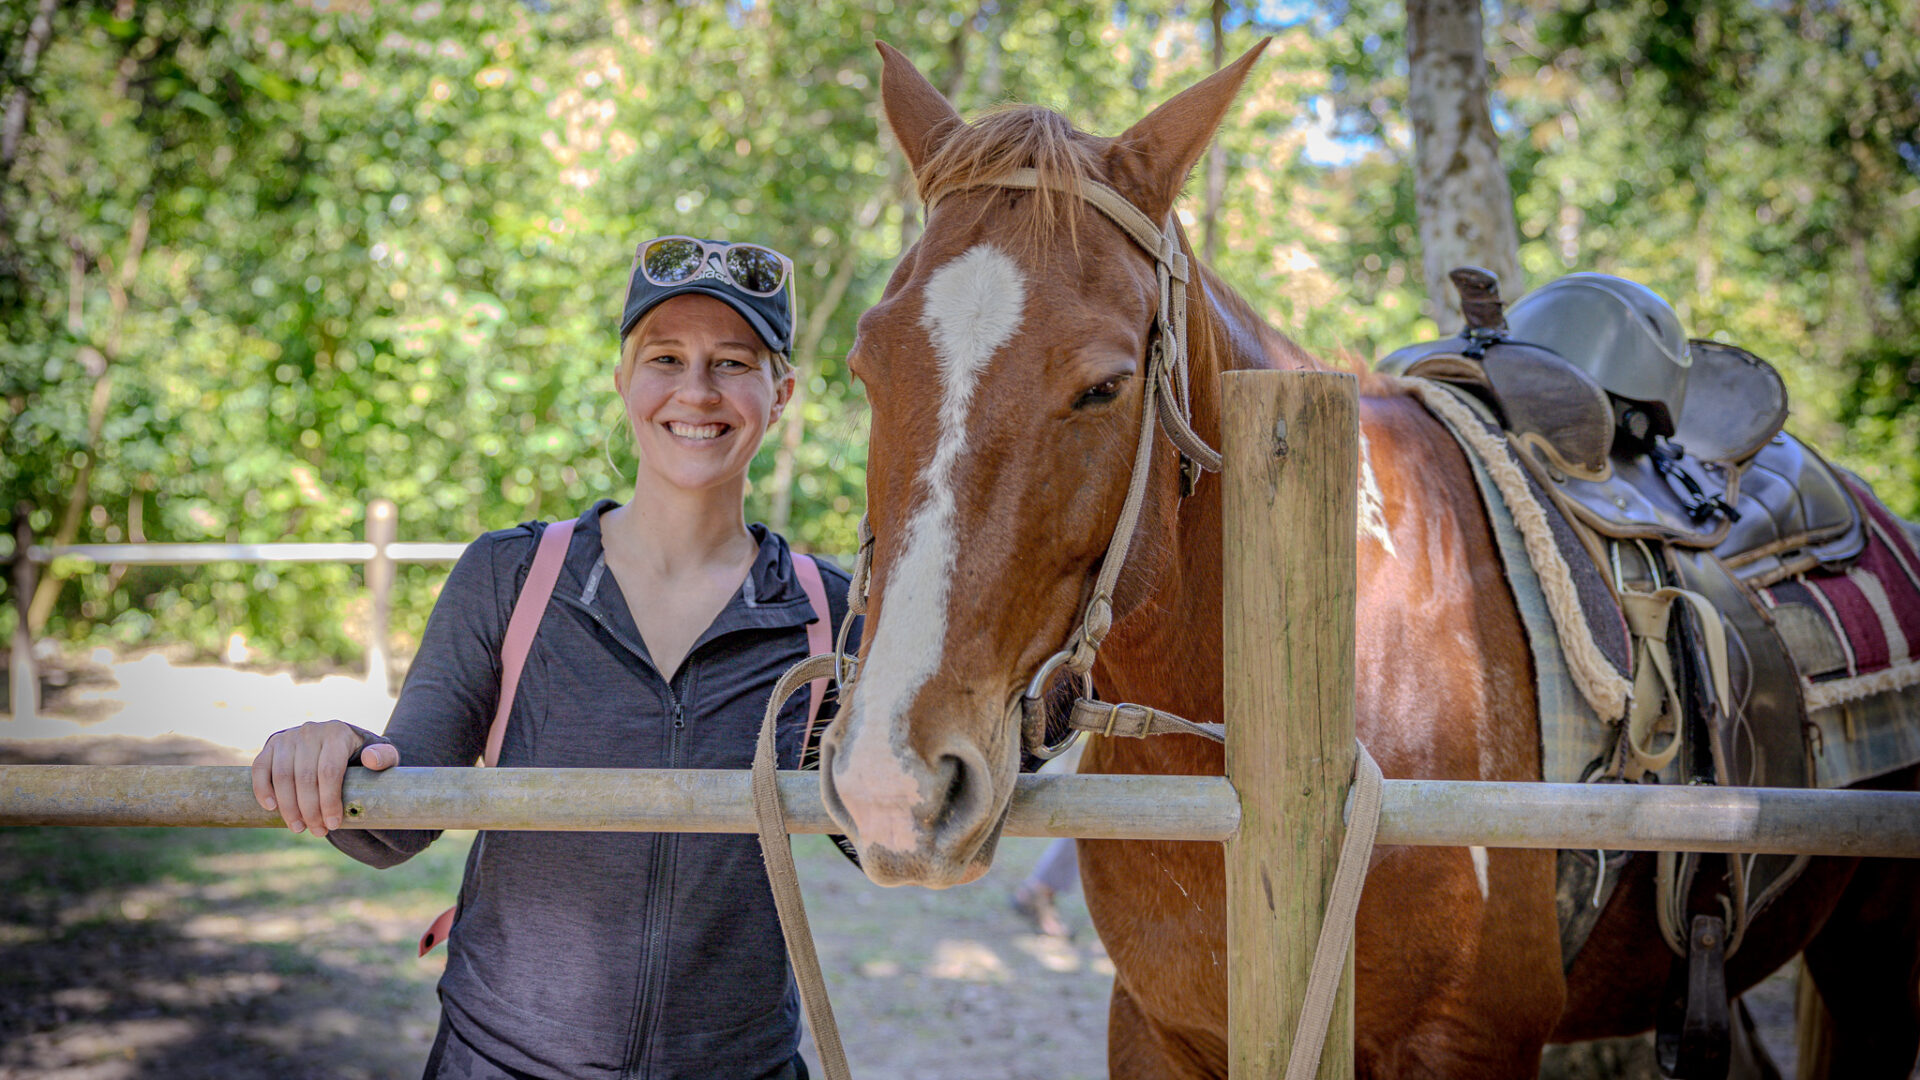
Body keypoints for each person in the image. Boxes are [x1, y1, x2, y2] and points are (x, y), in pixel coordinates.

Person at [250, 235, 852, 1080]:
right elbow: (399, 809)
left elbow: (893, 836)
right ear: (622, 379)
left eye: (732, 362)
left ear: (778, 392)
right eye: (666, 357)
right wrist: (330, 754)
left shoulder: (832, 611)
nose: (695, 390)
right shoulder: (511, 576)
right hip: (501, 1061)